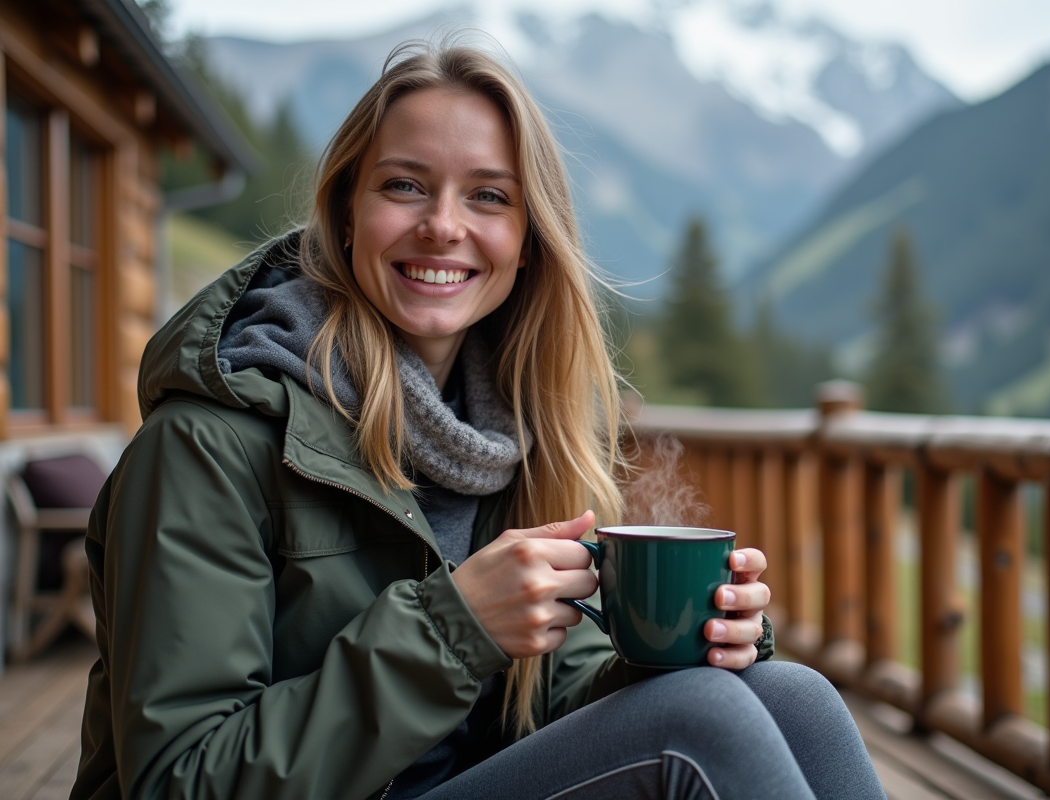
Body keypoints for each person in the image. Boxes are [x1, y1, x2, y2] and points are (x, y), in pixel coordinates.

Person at [70, 41, 886, 800]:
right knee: (701, 726)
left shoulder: (508, 436)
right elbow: (178, 778)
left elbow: (551, 706)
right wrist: (455, 631)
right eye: (404, 185)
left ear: (528, 240)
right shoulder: (208, 443)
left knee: (792, 695)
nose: (444, 225)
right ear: (347, 211)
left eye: (488, 195)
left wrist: (705, 641)